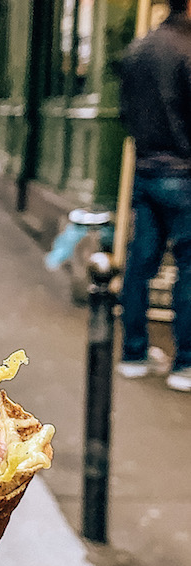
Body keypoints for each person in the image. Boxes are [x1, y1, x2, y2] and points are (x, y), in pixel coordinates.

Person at [117, 0, 191, 392]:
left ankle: (132, 353)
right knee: (188, 267)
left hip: (146, 170)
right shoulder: (187, 49)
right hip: (184, 172)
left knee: (139, 265)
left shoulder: (140, 49)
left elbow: (126, 111)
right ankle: (185, 363)